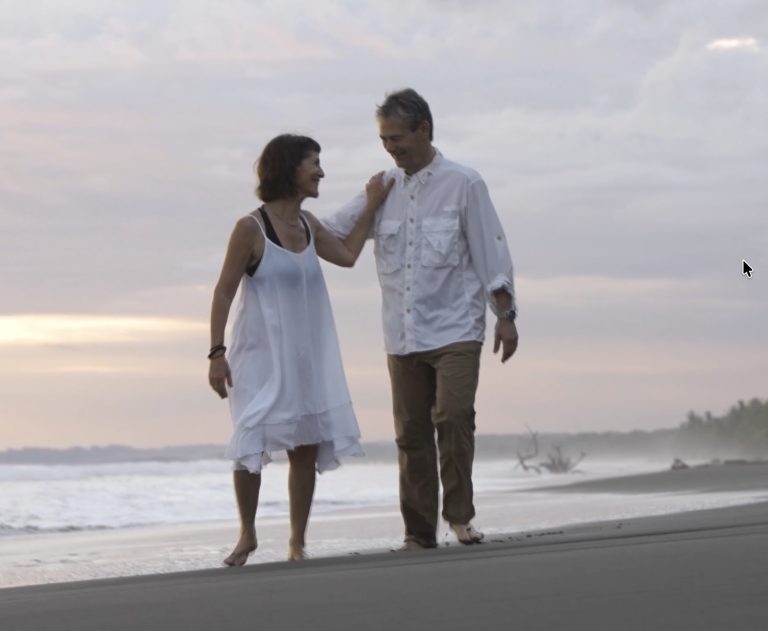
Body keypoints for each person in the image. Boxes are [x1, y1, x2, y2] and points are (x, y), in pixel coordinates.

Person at [323, 89, 518, 550]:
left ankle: (460, 518)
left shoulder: (464, 183)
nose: (390, 148)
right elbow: (329, 230)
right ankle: (417, 532)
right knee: (410, 434)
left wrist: (505, 316)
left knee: (452, 417)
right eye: (383, 139)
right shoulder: (382, 187)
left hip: (456, 327)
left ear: (424, 130)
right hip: (401, 334)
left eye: (397, 138)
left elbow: (493, 254)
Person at [208, 134, 393, 564]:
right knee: (250, 437)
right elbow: (223, 292)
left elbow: (348, 255)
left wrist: (371, 203)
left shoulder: (309, 225)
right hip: (257, 354)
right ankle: (247, 535)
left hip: (304, 354)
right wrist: (216, 353)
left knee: (305, 446)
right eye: (314, 163)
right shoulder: (250, 228)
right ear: (289, 168)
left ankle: (297, 542)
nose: (321, 172)